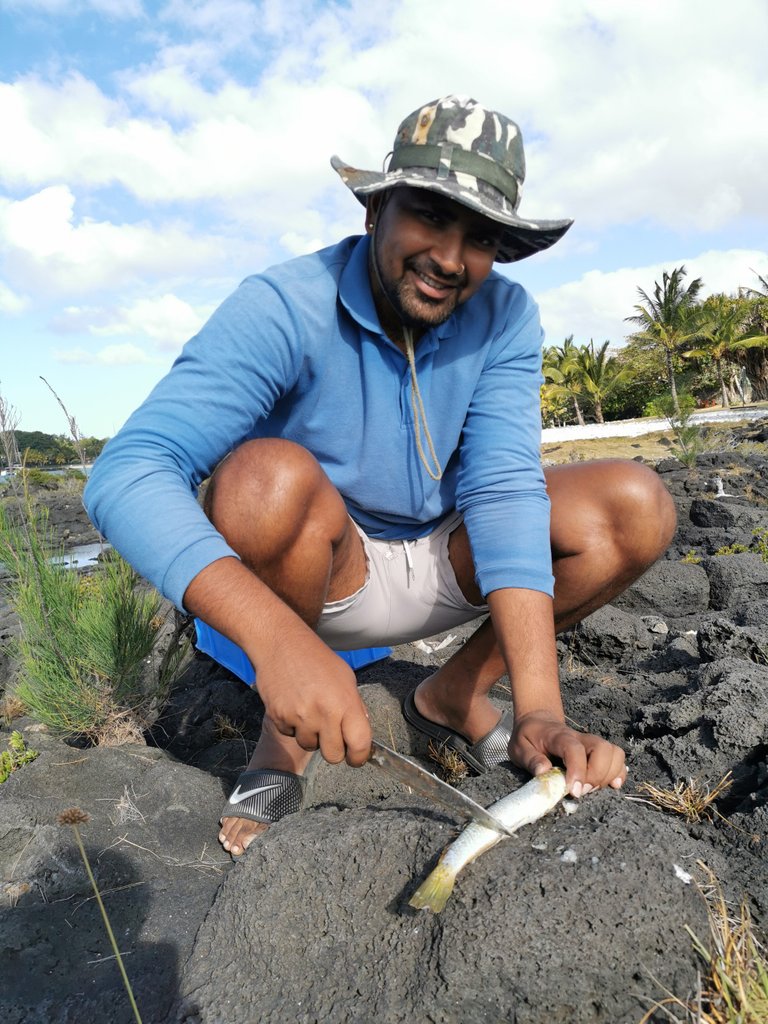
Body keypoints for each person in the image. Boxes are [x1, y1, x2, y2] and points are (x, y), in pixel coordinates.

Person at [84, 95, 676, 857]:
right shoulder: (284, 305)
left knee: (637, 506)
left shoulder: (504, 315)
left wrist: (539, 709)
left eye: (480, 238)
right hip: (324, 578)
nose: (451, 259)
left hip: (443, 559)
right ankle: (280, 741)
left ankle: (455, 693)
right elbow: (128, 471)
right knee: (262, 481)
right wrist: (282, 649)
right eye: (429, 215)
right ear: (374, 213)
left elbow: (502, 492)